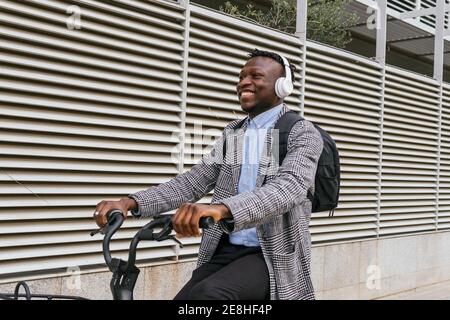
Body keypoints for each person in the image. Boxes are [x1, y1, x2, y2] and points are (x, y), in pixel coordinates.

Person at [93, 49, 323, 300]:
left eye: (256, 76)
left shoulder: (301, 132)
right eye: (241, 77)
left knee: (208, 296)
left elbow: (286, 190)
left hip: (271, 255)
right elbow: (192, 183)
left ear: (282, 86)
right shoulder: (235, 134)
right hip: (226, 248)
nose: (244, 83)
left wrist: (222, 210)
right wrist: (131, 203)